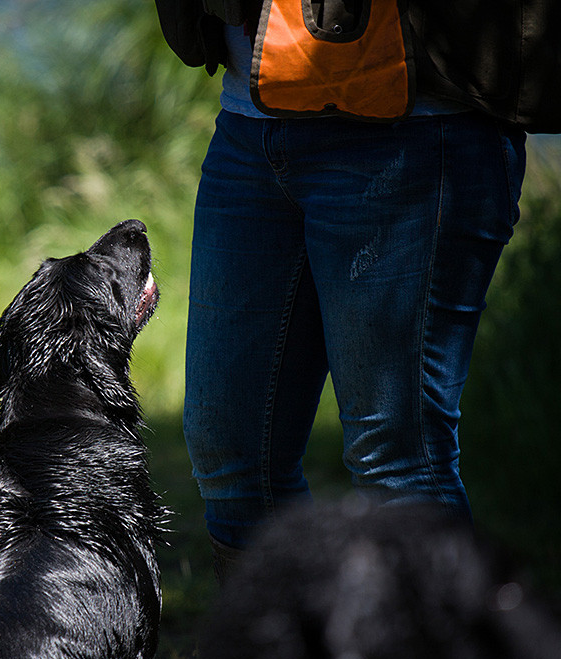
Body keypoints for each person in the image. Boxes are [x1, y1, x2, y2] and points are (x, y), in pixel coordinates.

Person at [153, 0, 561, 575]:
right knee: (233, 457)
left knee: (398, 465)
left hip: (417, 129)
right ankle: (274, 654)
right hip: (252, 124)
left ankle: (435, 657)